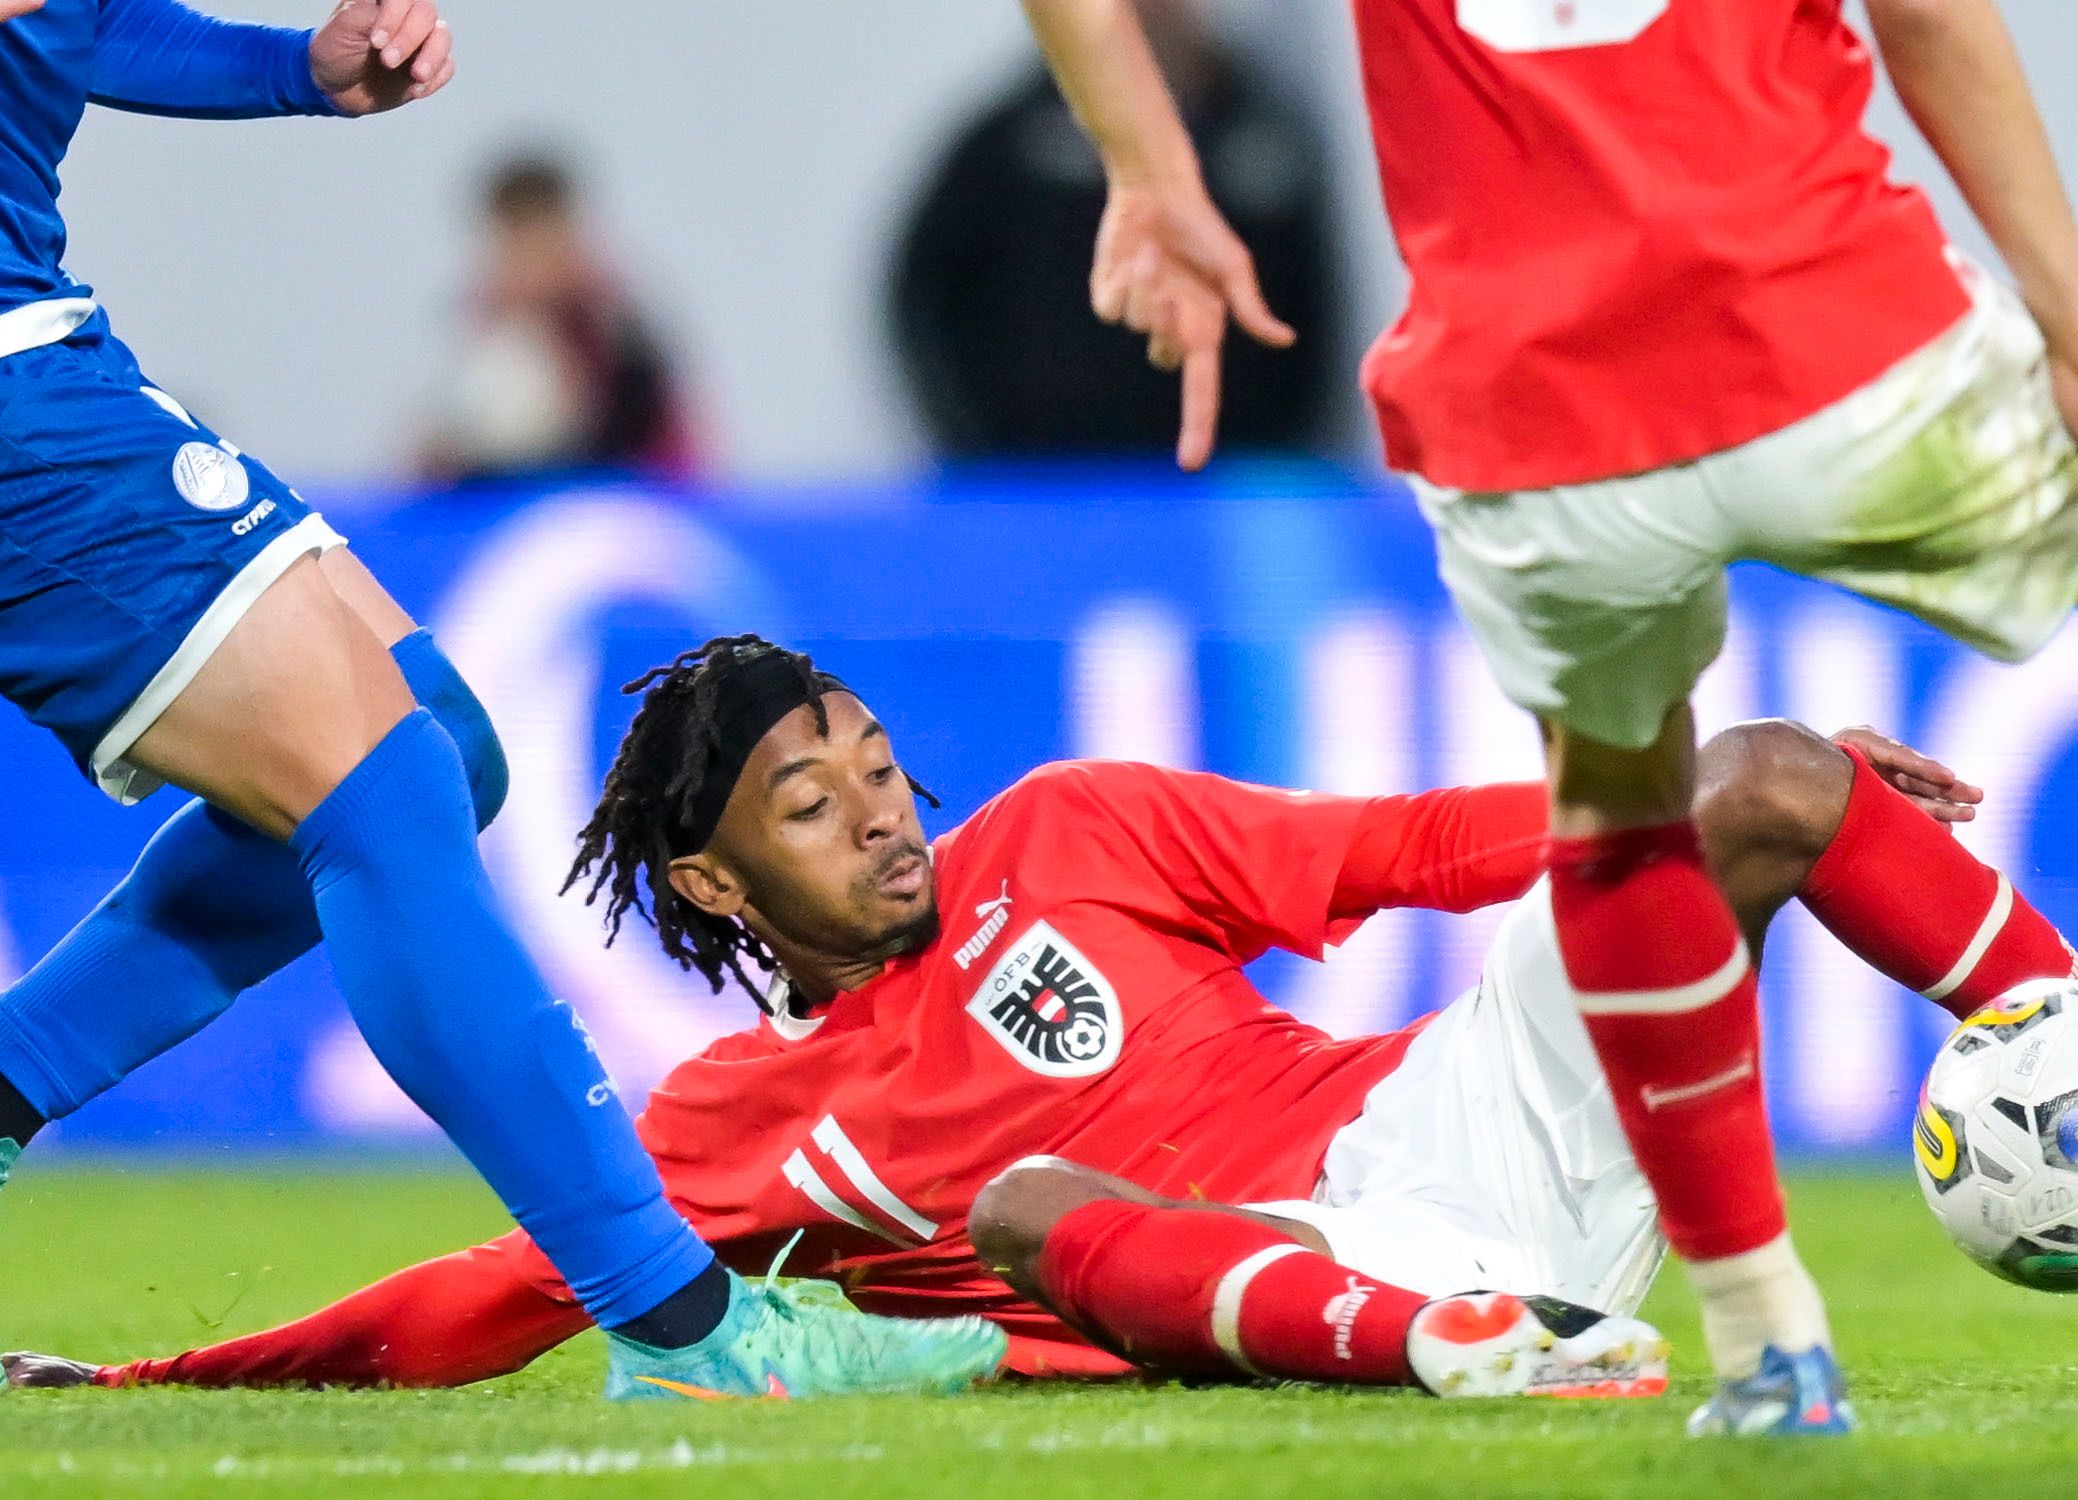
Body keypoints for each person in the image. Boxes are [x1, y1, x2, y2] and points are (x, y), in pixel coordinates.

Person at [1009, 0, 2078, 1397]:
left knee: (1620, 820)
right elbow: (1931, 23)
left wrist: (1145, 169)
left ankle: (1763, 1331)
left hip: (1523, 395)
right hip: (1799, 303)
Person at [4, 636, 2078, 1404]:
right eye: (800, 792)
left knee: (1774, 779)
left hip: (1458, 1112)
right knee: (1054, 1204)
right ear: (705, 881)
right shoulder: (754, 1112)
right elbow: (501, 1289)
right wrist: (161, 1384)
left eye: (861, 746)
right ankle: (1481, 1345)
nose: (870, 795)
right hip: (1340, 1265)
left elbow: (1389, 858)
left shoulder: (1073, 823)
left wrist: (1676, 805)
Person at [0, 0, 999, 1402]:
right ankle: (681, 1322)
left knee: (440, 745)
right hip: (17, 391)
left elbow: (70, 30)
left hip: (42, 337)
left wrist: (290, 71)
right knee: (377, 788)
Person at [889, 0, 1341, 458]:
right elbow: (926, 288)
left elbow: (1315, 301)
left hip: (1226, 471)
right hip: (1045, 471)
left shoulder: (1262, 132)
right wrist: (981, 451)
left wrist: (1283, 443)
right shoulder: (1016, 136)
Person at [415, 151, 701, 484]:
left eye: (534, 247)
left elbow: (643, 446)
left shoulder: (612, 331)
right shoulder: (489, 334)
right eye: (510, 248)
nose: (522, 269)